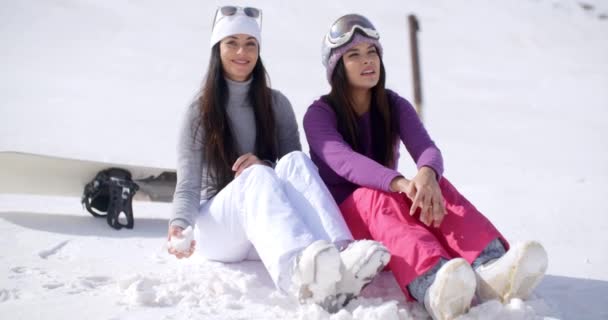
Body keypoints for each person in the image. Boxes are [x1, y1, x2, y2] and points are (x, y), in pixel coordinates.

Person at [303, 13, 549, 320]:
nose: (368, 61)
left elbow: (427, 149)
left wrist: (426, 174)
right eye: (354, 55)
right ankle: (433, 284)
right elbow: (345, 162)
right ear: (337, 68)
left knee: (435, 186)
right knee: (375, 196)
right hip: (345, 221)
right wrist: (399, 182)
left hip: (387, 203)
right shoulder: (319, 114)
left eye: (372, 53)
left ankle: (489, 267)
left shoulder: (393, 104)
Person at [167, 6, 390, 312]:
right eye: (232, 42)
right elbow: (188, 183)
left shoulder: (276, 104)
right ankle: (300, 276)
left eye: (250, 43)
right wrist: (180, 224)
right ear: (217, 49)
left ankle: (342, 254)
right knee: (255, 176)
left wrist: (265, 164)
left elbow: (294, 177)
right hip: (218, 230)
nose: (242, 51)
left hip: (267, 235)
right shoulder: (199, 111)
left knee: (295, 160)